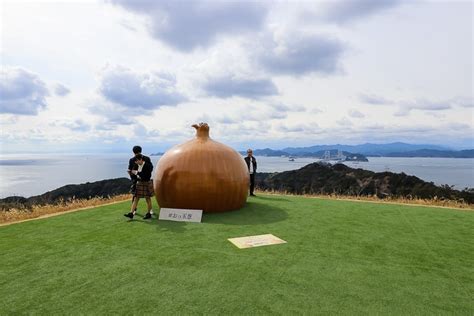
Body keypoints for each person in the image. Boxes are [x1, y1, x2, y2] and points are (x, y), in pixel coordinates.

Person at [124, 154, 154, 220]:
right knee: (136, 198)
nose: (136, 163)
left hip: (146, 182)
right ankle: (131, 213)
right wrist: (131, 172)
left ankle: (149, 213)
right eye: (135, 161)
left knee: (148, 198)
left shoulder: (147, 166)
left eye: (137, 161)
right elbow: (135, 173)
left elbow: (147, 176)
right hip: (139, 182)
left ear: (140, 159)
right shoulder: (136, 165)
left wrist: (137, 173)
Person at [127, 145, 152, 214]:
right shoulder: (133, 160)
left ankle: (149, 211)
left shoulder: (146, 159)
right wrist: (134, 176)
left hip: (145, 180)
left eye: (137, 160)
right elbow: (130, 170)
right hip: (137, 180)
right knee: (136, 196)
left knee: (147, 197)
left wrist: (139, 174)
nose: (136, 161)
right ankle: (133, 211)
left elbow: (149, 170)